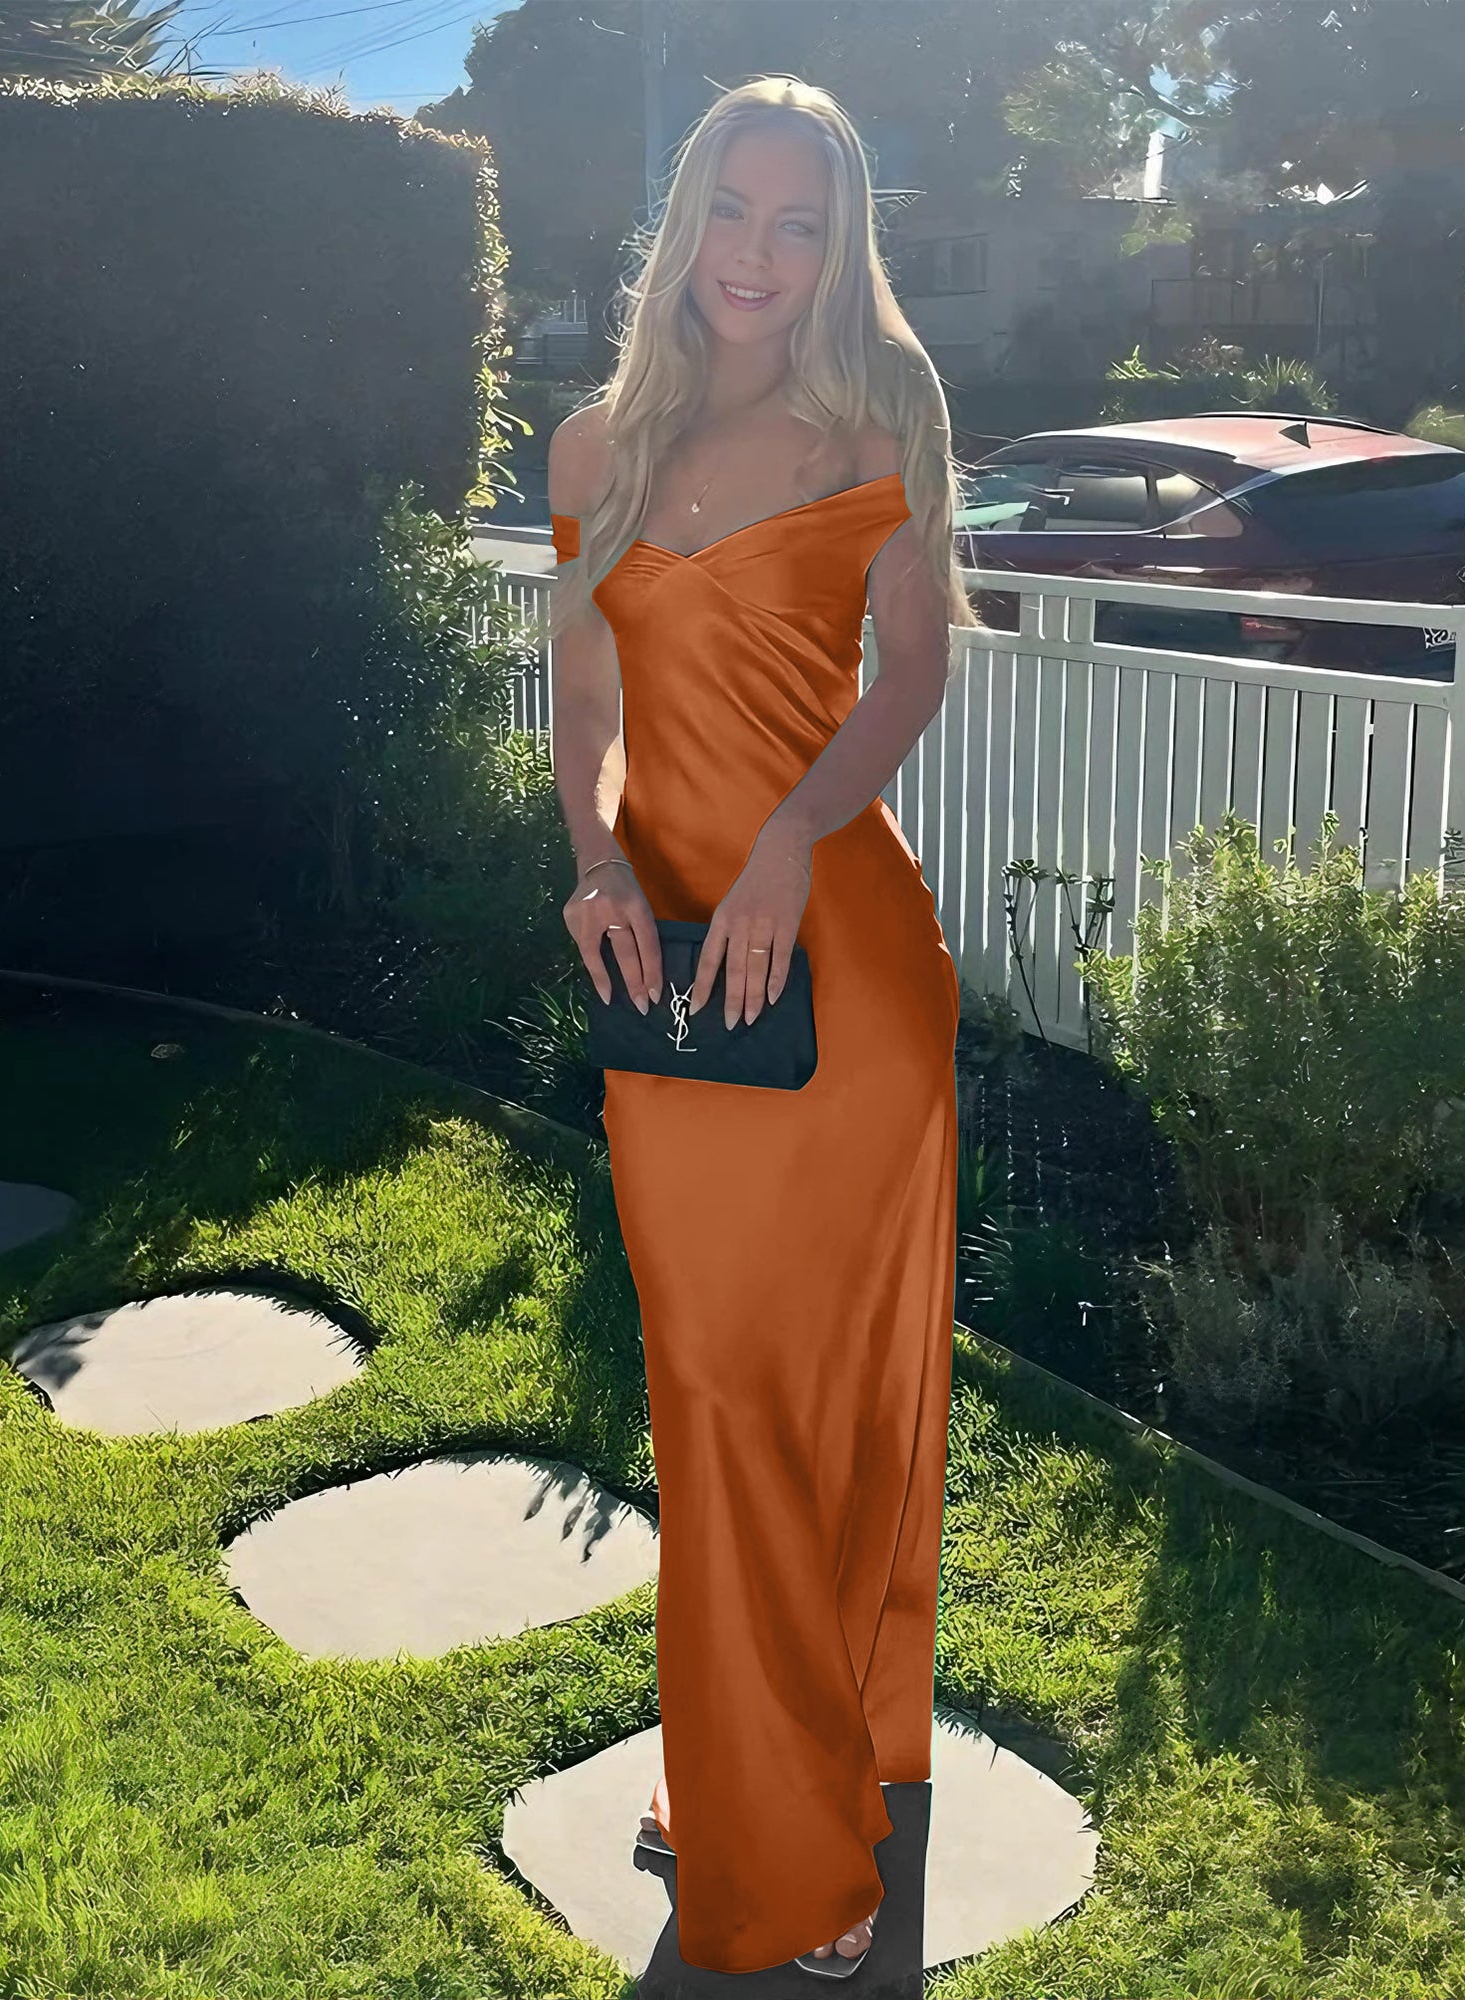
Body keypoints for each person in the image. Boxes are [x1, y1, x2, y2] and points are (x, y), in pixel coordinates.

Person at [546, 73, 981, 1980]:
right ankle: (760, 1763)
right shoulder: (596, 446)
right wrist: (595, 861)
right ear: (687, 219)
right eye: (735, 209)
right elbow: (582, 697)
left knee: (809, 1392)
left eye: (801, 224)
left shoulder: (883, 416)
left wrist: (796, 838)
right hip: (673, 986)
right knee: (714, 1385)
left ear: (840, 242)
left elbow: (913, 675)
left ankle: (794, 1835)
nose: (759, 254)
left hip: (843, 977)